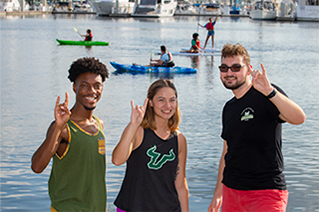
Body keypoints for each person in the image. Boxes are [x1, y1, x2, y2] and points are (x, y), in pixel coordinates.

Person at [208, 43, 306, 212]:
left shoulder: (266, 94)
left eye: (236, 67)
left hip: (266, 192)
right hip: (232, 191)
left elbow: (299, 118)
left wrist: (270, 92)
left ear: (248, 69)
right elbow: (226, 152)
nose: (229, 72)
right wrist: (218, 193)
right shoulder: (229, 108)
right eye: (224, 68)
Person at [31, 57, 110, 212]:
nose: (92, 91)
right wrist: (58, 127)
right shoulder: (64, 128)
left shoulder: (99, 124)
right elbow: (37, 166)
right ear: (75, 88)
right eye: (84, 86)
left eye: (97, 86)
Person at [112, 79, 189, 212]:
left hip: (169, 207)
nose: (167, 106)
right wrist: (133, 125)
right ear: (151, 102)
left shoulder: (179, 139)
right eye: (161, 100)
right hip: (134, 206)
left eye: (172, 100)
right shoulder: (138, 131)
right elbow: (117, 160)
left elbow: (180, 184)